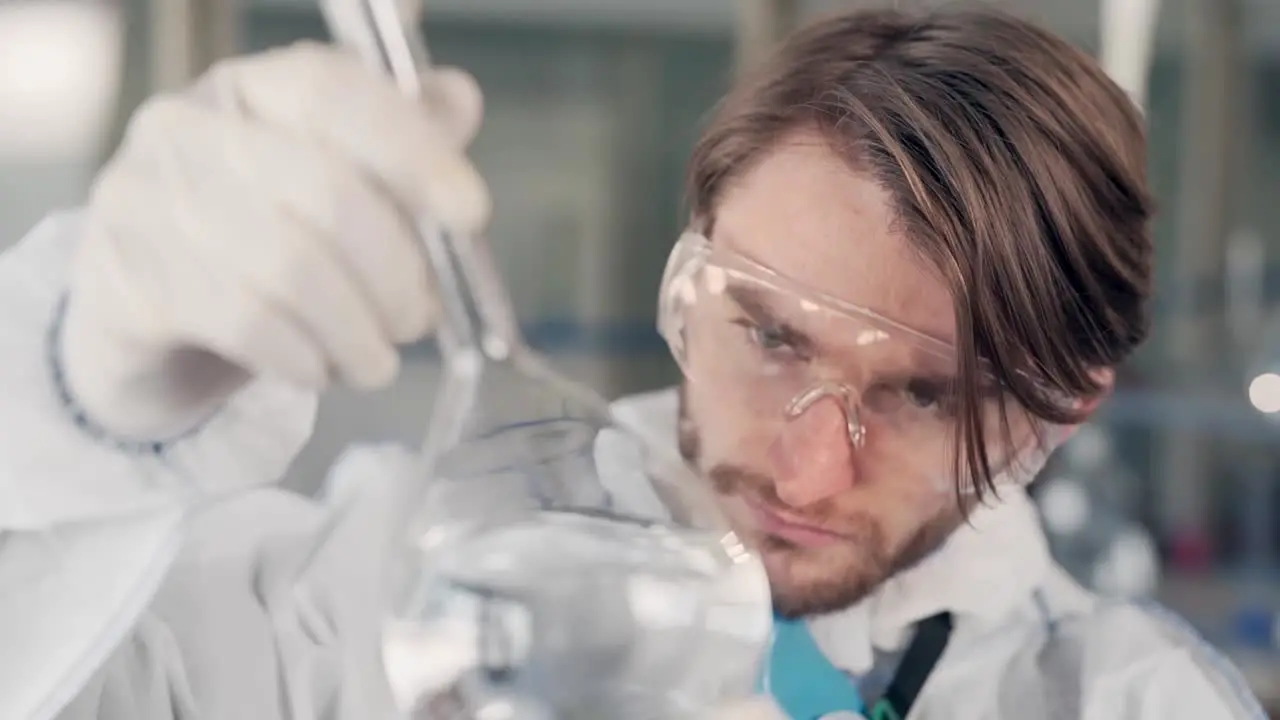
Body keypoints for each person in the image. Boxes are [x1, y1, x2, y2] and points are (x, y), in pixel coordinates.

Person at [0, 6, 1265, 720]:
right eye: (768, 333)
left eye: (924, 392)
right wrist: (75, 395)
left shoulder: (1121, 702)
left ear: (1057, 414)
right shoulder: (404, 586)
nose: (807, 469)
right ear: (685, 283)